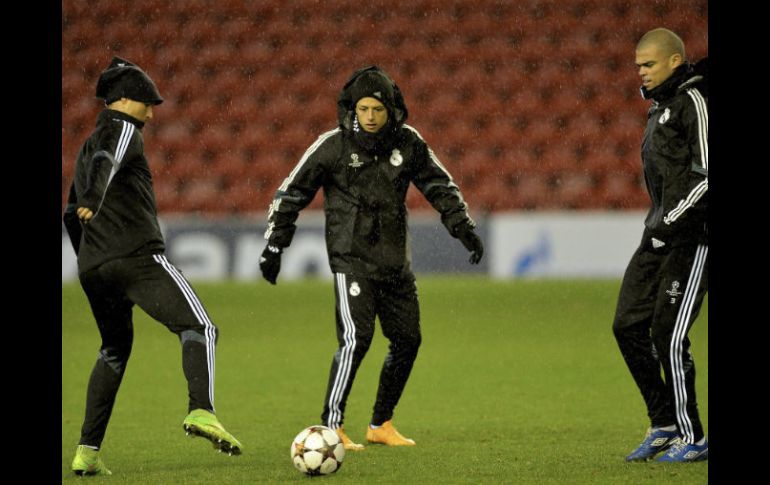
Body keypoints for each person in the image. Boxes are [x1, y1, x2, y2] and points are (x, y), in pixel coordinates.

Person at [259, 65, 484, 450]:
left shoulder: (409, 143)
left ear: (391, 109)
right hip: (352, 261)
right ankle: (331, 427)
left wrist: (463, 227)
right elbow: (290, 194)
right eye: (363, 109)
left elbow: (438, 185)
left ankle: (380, 422)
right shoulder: (332, 146)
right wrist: (275, 245)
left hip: (394, 262)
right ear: (352, 109)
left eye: (378, 109)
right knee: (356, 340)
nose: (370, 117)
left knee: (408, 340)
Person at [63, 57, 243, 476]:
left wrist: (91, 258)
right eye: (147, 101)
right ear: (123, 100)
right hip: (138, 257)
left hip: (94, 267)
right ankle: (201, 410)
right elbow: (108, 160)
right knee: (199, 327)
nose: (152, 110)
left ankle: (87, 452)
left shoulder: (84, 148)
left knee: (113, 351)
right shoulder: (121, 128)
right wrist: (95, 197)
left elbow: (70, 215)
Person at [612, 28, 708, 462]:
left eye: (648, 64)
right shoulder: (660, 109)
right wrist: (660, 224)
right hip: (659, 234)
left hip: (694, 238)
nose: (641, 72)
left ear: (674, 61)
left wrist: (668, 221)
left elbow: (706, 177)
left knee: (668, 334)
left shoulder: (695, 102)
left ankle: (694, 437)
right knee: (627, 326)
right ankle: (664, 422)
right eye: (637, 66)